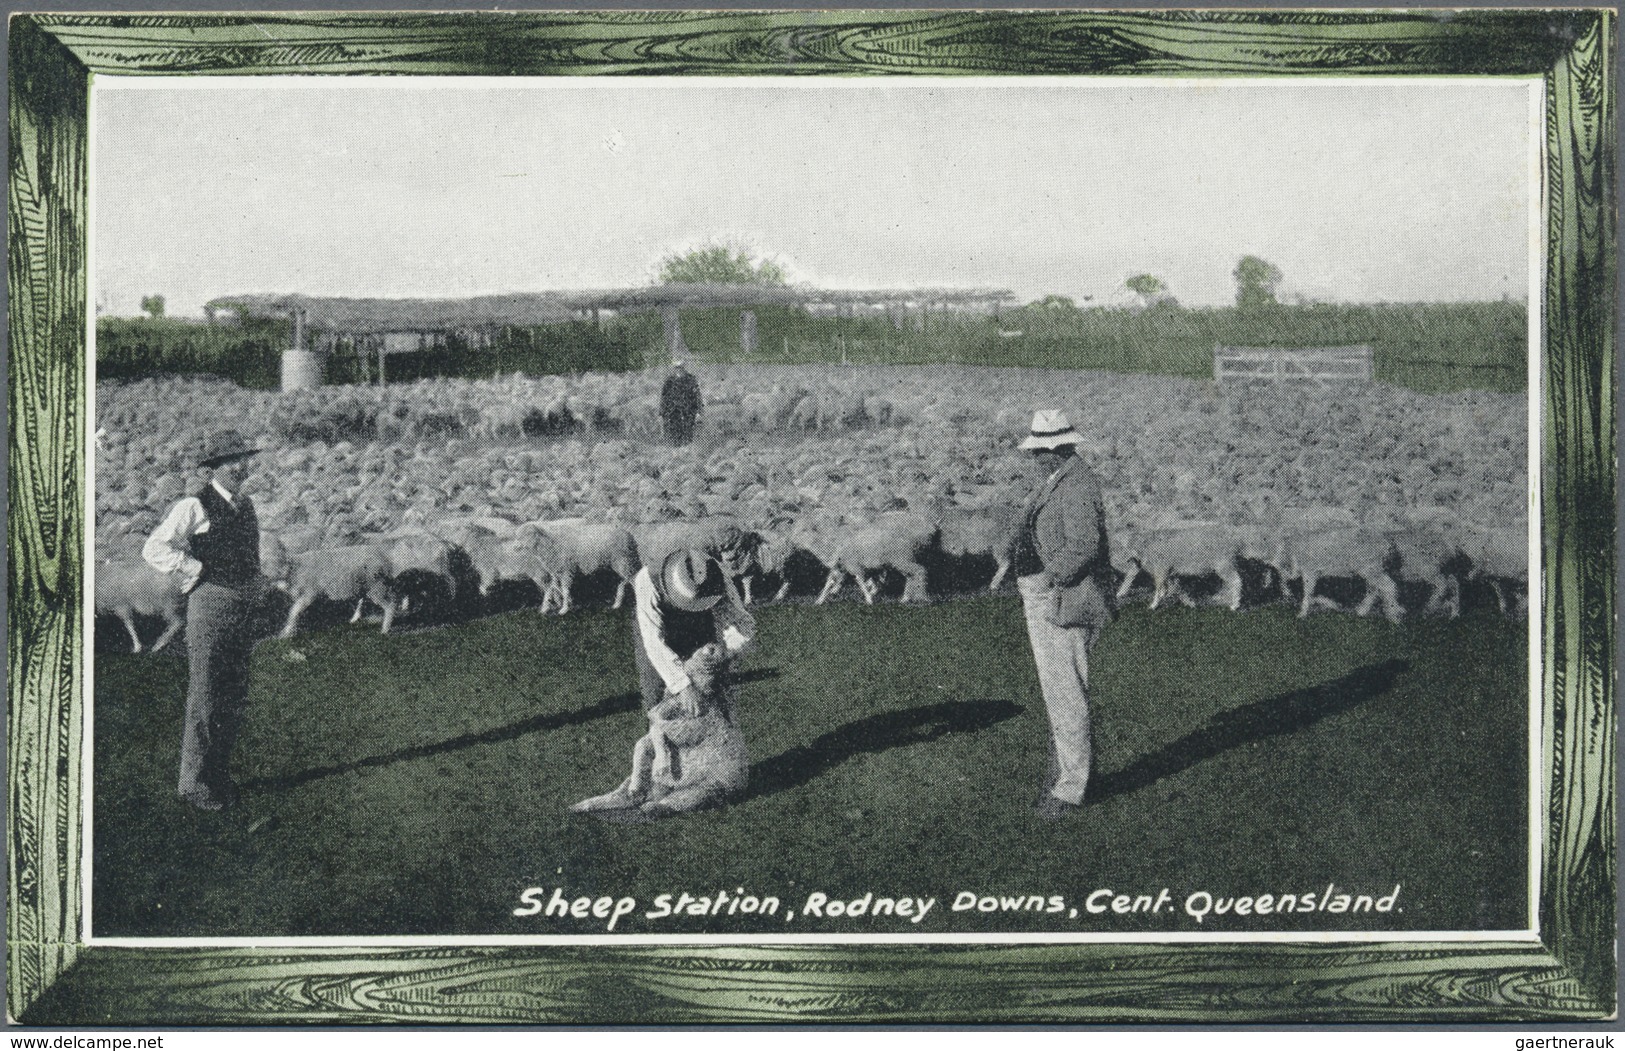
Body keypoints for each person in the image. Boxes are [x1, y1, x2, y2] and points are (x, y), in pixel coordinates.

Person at [142, 429, 266, 811]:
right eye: (232, 460)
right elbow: (154, 547)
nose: (241, 465)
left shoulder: (246, 505)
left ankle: (217, 773)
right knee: (207, 693)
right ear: (213, 468)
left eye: (243, 458)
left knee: (234, 691)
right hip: (210, 604)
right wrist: (192, 566)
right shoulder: (192, 506)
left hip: (242, 604)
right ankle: (192, 783)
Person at [1010, 410, 1116, 820]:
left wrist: (1048, 577)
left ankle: (1072, 788)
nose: (1035, 458)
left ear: (1057, 449)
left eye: (1040, 451)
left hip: (1060, 598)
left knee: (1066, 692)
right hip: (1048, 594)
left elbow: (1085, 544)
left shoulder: (1076, 486)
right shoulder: (1063, 480)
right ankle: (1069, 776)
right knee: (1060, 690)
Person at [632, 547, 755, 714]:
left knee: (714, 694)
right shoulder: (647, 580)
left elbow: (743, 622)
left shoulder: (716, 575)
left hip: (700, 626)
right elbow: (653, 641)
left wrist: (724, 652)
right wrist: (683, 685)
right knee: (657, 698)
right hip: (658, 629)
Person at [660, 359, 702, 445]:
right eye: (677, 367)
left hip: (688, 410)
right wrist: (662, 412)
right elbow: (664, 397)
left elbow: (697, 396)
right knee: (673, 432)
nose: (679, 369)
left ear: (684, 368)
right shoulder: (669, 381)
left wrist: (699, 412)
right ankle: (675, 450)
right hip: (673, 411)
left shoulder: (690, 379)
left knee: (688, 431)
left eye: (681, 367)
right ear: (674, 369)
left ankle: (687, 449)